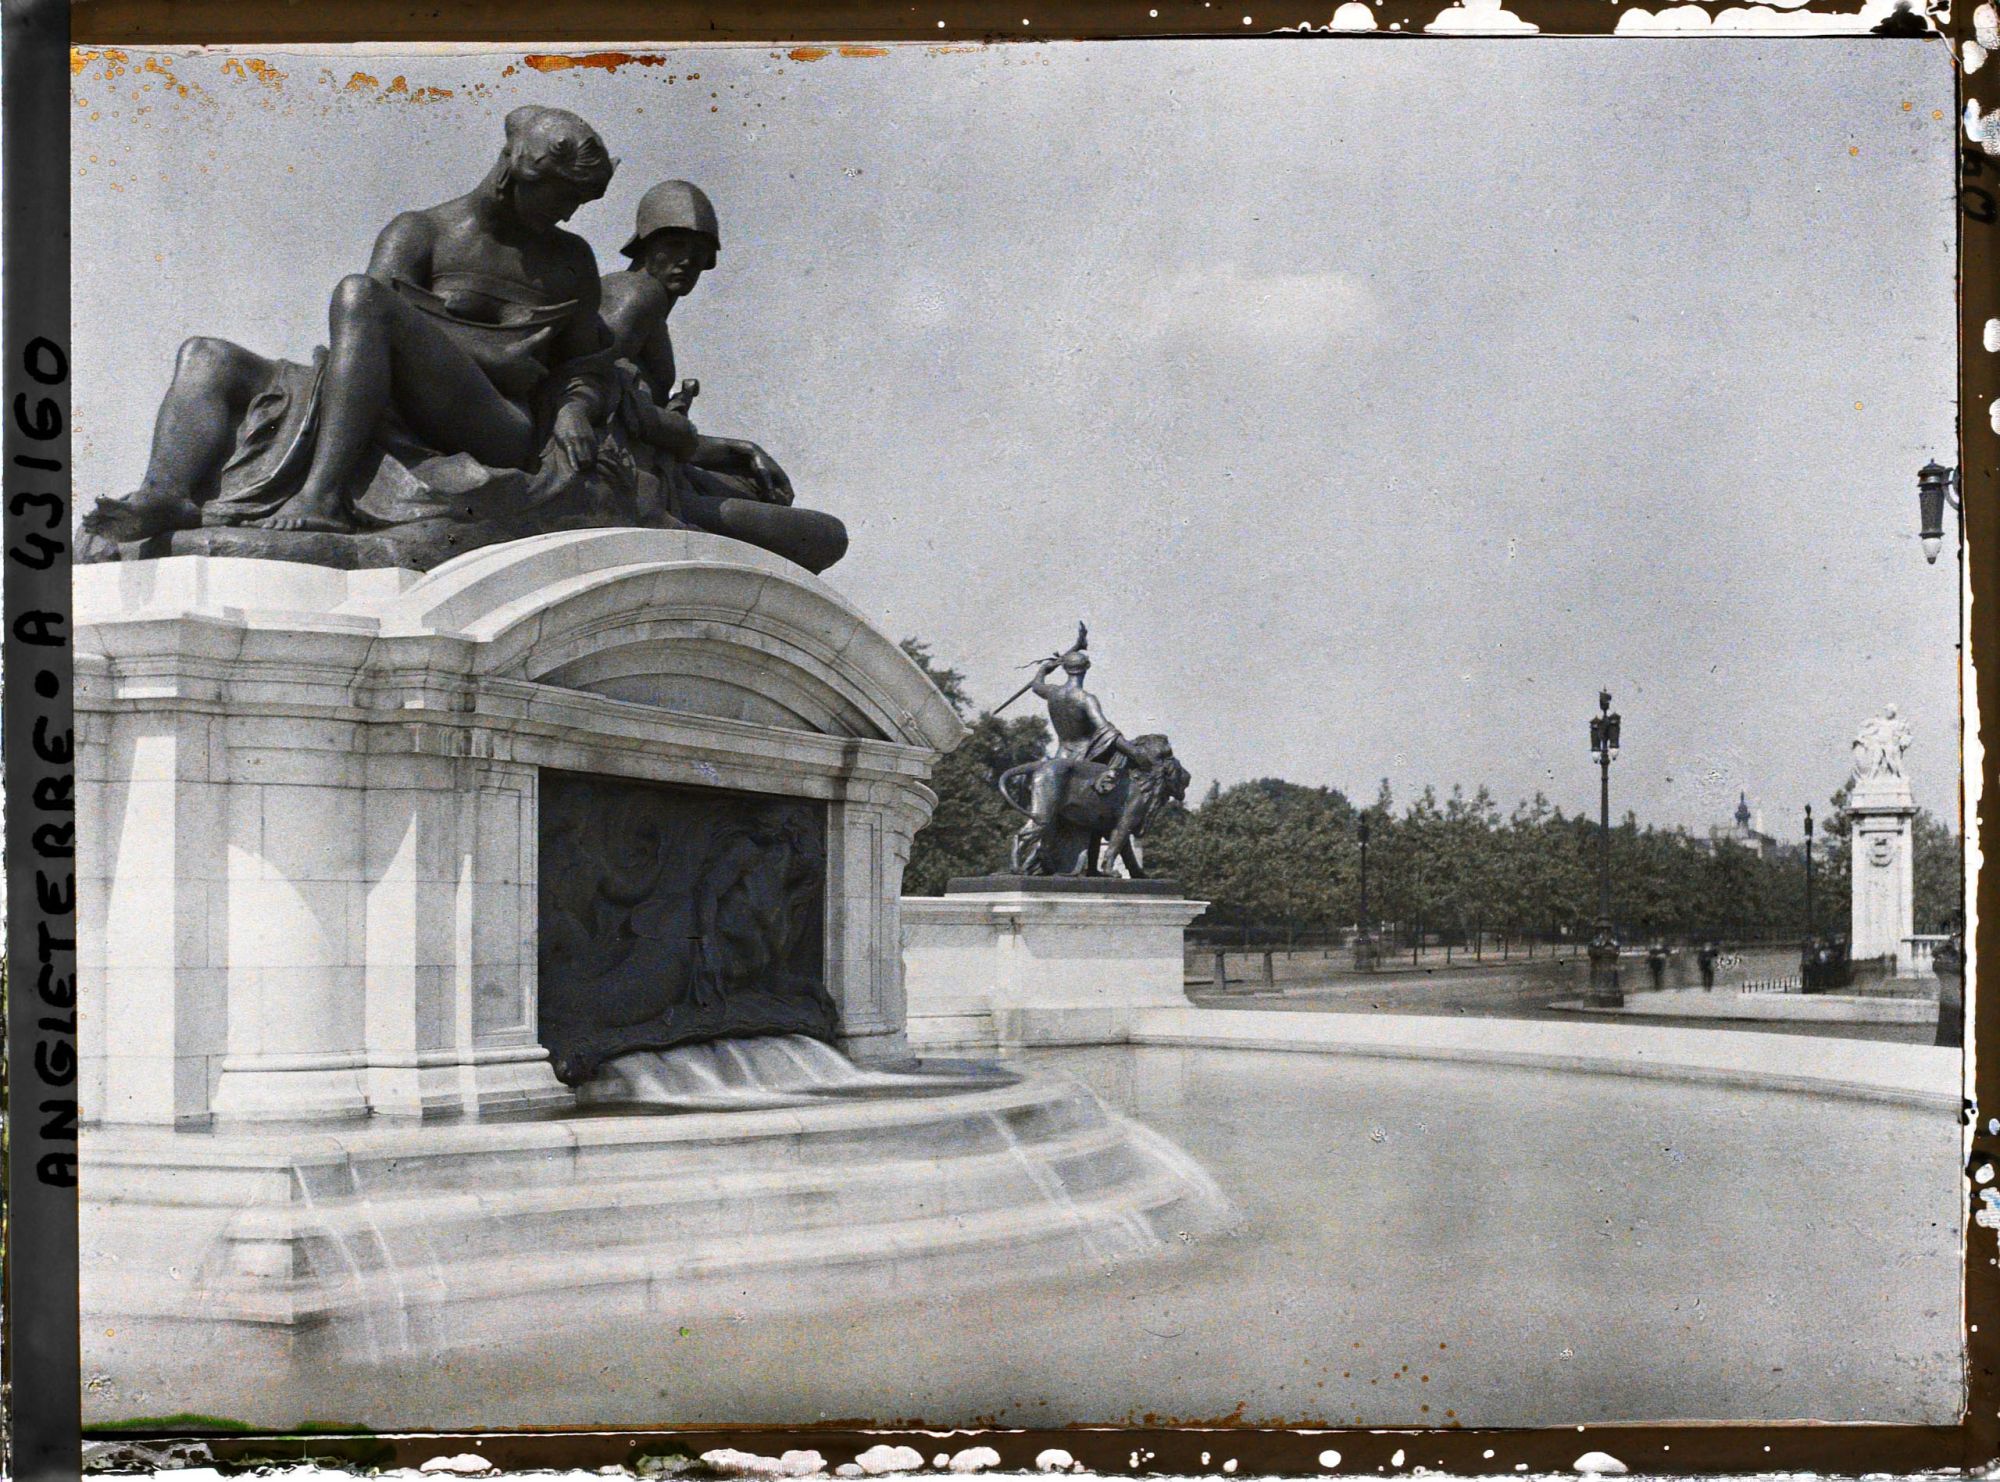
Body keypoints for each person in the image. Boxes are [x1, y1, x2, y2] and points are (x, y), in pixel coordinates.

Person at [84, 105, 618, 544]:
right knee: (207, 354)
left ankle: (321, 495)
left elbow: (586, 366)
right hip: (386, 401)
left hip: (496, 423)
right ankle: (165, 493)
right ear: (520, 172)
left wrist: (574, 409)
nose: (572, 213)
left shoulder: (570, 261)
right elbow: (362, 333)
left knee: (360, 293)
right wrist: (490, 351)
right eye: (567, 195)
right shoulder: (420, 233)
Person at [596, 179, 848, 574]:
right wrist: (680, 433)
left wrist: (737, 449)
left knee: (753, 487)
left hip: (656, 473)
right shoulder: (636, 294)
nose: (687, 262)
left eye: (699, 254)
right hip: (634, 486)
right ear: (647, 244)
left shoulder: (644, 302)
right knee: (825, 535)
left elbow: (638, 423)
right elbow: (588, 388)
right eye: (676, 245)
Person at [1017, 645, 1149, 875]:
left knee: (1052, 816)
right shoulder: (1085, 698)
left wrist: (1043, 670)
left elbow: (1036, 686)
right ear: (1086, 668)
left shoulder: (1054, 693)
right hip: (1083, 761)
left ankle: (1047, 863)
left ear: (1066, 669)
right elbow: (1106, 730)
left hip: (1060, 755)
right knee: (1098, 810)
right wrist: (1132, 751)